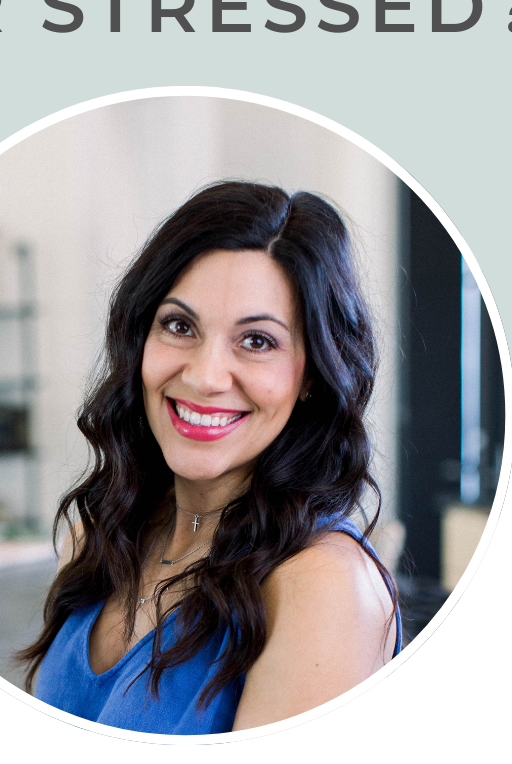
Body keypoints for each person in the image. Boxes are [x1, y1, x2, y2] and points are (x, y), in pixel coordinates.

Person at [20, 181, 401, 734]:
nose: (203, 377)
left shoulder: (323, 586)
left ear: (313, 373)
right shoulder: (99, 537)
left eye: (257, 341)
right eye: (180, 326)